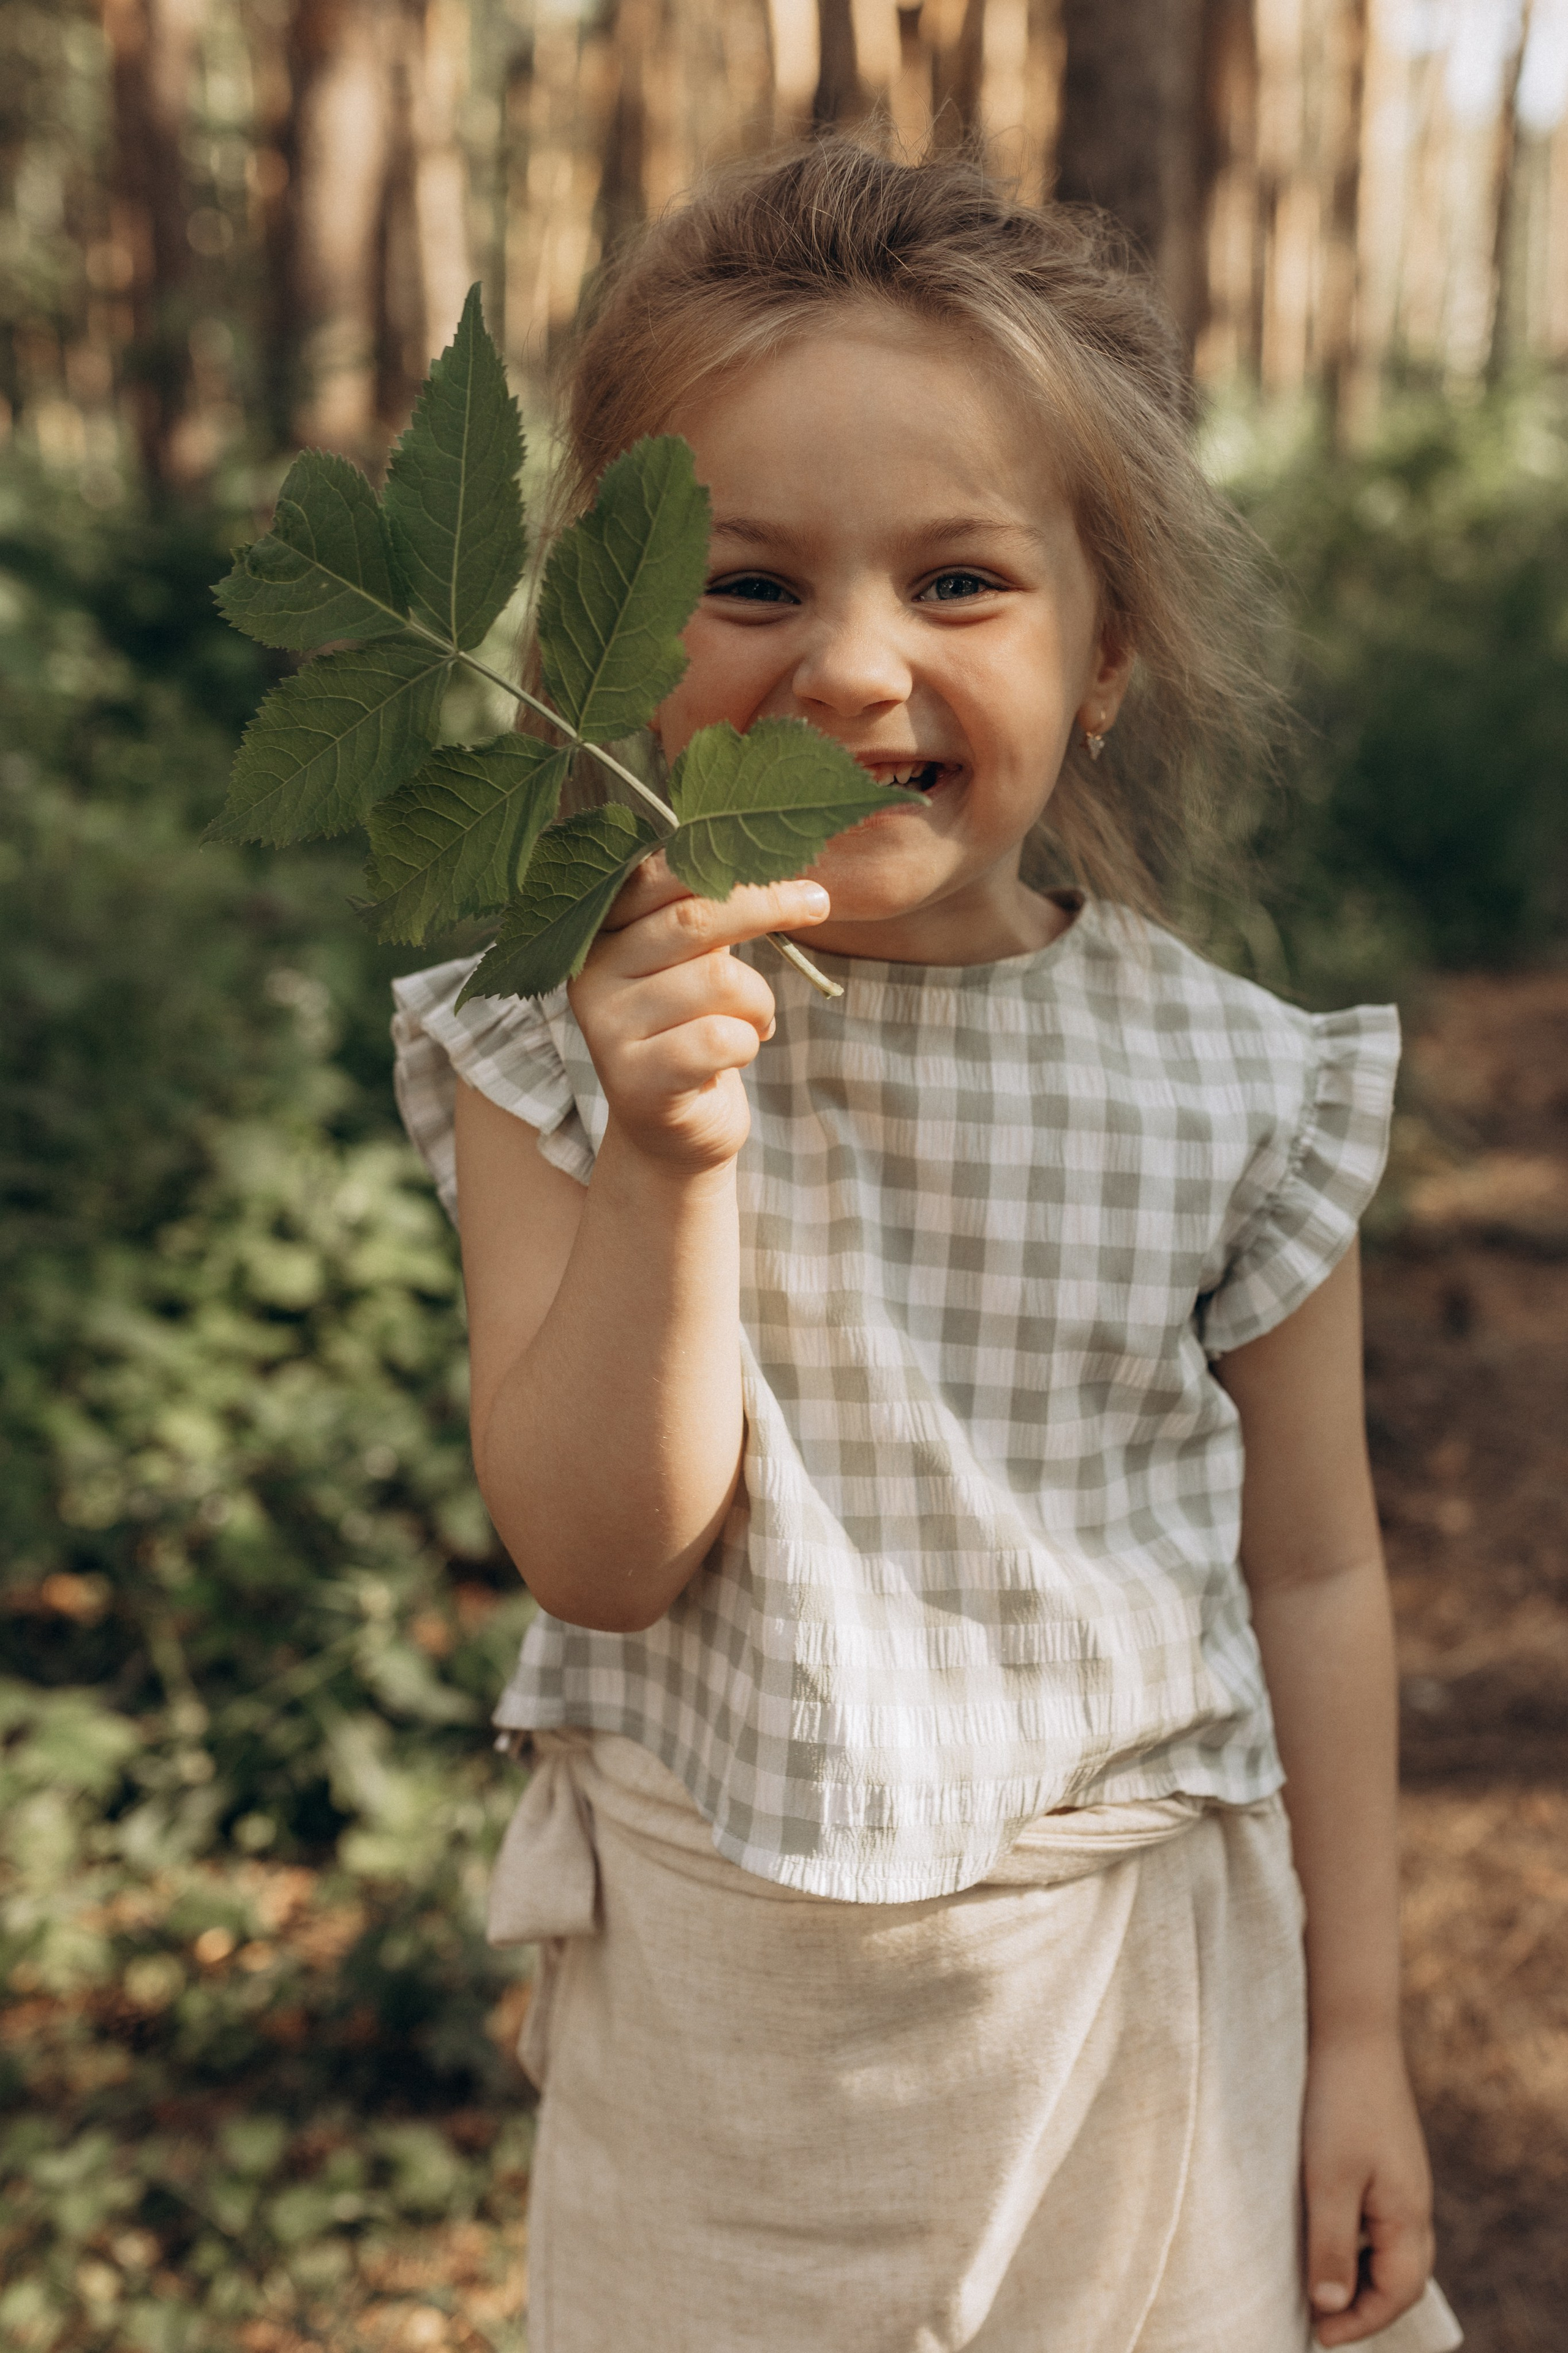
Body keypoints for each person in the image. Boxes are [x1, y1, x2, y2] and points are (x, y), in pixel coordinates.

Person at [391, 143, 1462, 2353]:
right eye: (752, 585)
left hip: (1137, 2018)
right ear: (605, 638)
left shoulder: (1232, 1079)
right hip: (726, 2047)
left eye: (964, 581)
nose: (853, 667)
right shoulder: (552, 1032)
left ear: (1107, 652)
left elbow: (1317, 1571)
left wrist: (1357, 2032)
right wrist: (678, 1153)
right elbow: (599, 1556)